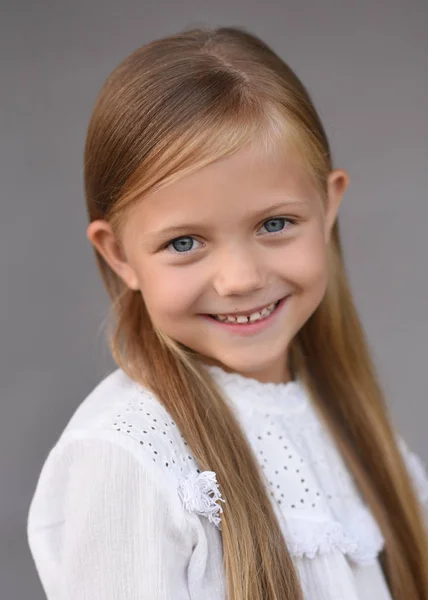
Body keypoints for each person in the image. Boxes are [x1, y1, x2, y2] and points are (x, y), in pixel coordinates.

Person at [26, 26, 428, 600]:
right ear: (120, 255)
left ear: (329, 204)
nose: (240, 280)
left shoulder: (352, 428)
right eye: (185, 242)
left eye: (274, 224)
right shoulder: (130, 457)